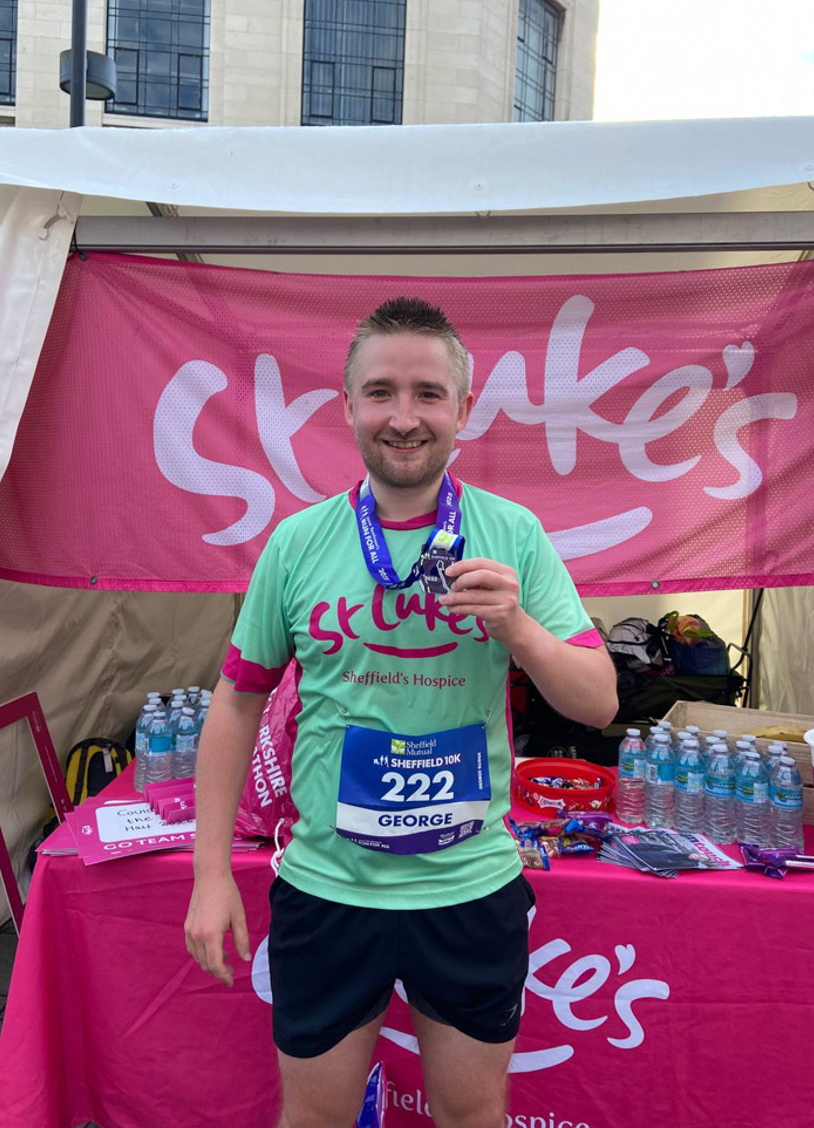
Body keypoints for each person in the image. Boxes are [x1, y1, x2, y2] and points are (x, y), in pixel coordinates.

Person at [185, 296, 618, 1128]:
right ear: (348, 405)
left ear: (463, 409)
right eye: (381, 392)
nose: (404, 417)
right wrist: (210, 876)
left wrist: (520, 629)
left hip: (469, 886)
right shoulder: (298, 543)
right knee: (314, 1117)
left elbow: (598, 702)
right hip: (327, 888)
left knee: (470, 1113)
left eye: (427, 394)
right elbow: (236, 704)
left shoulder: (512, 534)